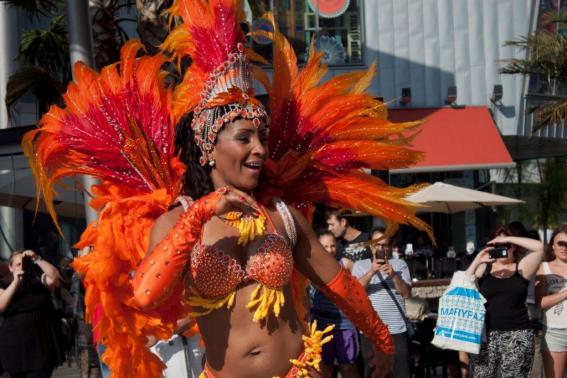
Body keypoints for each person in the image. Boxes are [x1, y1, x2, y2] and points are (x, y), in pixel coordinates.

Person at [23, 1, 433, 377]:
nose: (259, 149)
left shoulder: (281, 215)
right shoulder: (178, 219)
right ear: (208, 148)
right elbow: (145, 295)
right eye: (244, 138)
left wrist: (380, 338)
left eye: (262, 136)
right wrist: (199, 217)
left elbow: (338, 283)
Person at [465, 225, 544, 378]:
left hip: (517, 334)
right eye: (497, 245)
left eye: (506, 246)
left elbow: (539, 247)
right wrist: (478, 259)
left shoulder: (522, 267)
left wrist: (507, 238)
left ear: (514, 246)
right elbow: (464, 281)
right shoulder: (484, 267)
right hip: (485, 336)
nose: (502, 249)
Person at [353, 227, 413, 378]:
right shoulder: (360, 266)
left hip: (396, 328)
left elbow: (406, 294)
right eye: (376, 244)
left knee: (401, 371)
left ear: (390, 246)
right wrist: (372, 271)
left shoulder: (400, 265)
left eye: (384, 245)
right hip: (371, 330)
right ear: (371, 245)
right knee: (373, 372)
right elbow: (354, 292)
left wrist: (393, 275)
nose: (380, 248)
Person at [0, 250, 64, 378]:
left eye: (24, 263)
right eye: (18, 264)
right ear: (10, 267)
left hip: (40, 347)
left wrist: (37, 259)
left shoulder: (38, 278)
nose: (21, 267)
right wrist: (15, 283)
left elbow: (54, 277)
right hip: (14, 348)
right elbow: (1, 305)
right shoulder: (4, 284)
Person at [309, 231, 360, 378]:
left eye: (332, 246)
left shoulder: (345, 263)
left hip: (345, 324)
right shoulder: (311, 267)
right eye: (325, 246)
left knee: (348, 368)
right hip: (321, 325)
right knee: (325, 368)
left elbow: (359, 287)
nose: (330, 250)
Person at [535, 224, 567, 378]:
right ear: (553, 245)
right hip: (555, 332)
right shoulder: (544, 268)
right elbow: (540, 303)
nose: (564, 247)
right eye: (561, 243)